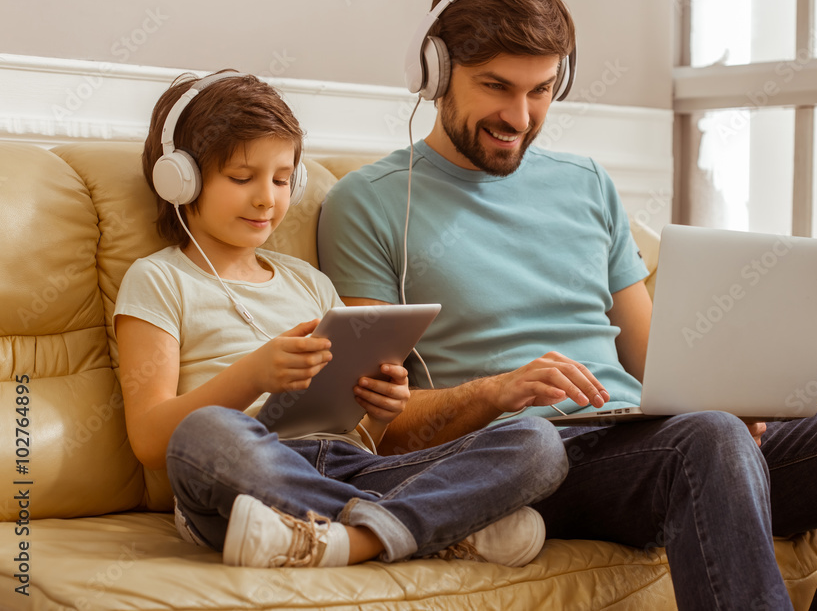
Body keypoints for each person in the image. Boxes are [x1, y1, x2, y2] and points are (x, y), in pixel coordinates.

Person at [317, 0, 817, 609]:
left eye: (541, 90)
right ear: (434, 71)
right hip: (535, 459)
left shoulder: (587, 184)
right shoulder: (371, 204)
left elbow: (653, 358)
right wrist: (500, 390)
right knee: (708, 439)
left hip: (663, 442)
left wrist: (729, 395)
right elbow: (387, 430)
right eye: (497, 86)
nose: (519, 116)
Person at [114, 69, 568, 570]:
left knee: (537, 443)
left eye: (283, 179)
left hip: (349, 469)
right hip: (246, 478)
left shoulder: (309, 282)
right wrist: (253, 375)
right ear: (181, 178)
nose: (267, 198)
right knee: (207, 434)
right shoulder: (158, 279)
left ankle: (347, 539)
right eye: (242, 178)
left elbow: (366, 438)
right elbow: (153, 440)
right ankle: (424, 527)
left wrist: (381, 407)